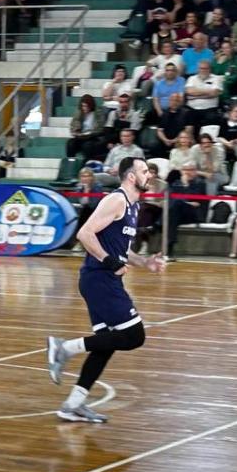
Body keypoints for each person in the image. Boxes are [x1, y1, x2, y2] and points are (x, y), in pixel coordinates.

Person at [46, 156, 166, 423]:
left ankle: (72, 405)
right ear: (131, 176)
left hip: (102, 280)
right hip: (99, 279)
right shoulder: (116, 200)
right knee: (134, 336)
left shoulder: (133, 205)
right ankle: (64, 348)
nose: (149, 175)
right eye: (144, 171)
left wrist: (145, 262)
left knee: (106, 345)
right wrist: (110, 262)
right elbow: (85, 234)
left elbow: (122, 249)